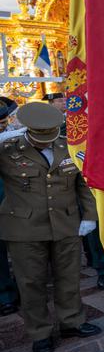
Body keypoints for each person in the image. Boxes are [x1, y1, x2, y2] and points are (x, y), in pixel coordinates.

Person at [0, 102, 101, 352]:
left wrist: (89, 216)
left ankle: (72, 322)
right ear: (28, 129)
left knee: (69, 276)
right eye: (39, 136)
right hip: (24, 228)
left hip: (65, 223)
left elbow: (84, 183)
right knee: (31, 282)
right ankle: (40, 333)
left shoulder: (68, 145)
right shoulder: (8, 149)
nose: (45, 141)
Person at [0, 97, 20, 316]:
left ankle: (20, 289)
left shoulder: (13, 138)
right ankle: (5, 295)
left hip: (16, 203)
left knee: (22, 253)